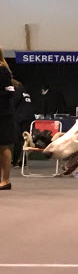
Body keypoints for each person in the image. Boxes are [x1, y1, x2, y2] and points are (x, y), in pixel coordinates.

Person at [0, 47, 15, 190]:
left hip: (3, 115)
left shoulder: (3, 70)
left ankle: (6, 180)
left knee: (4, 147)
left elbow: (9, 92)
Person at [11, 79, 35, 167]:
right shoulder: (25, 92)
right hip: (29, 118)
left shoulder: (18, 92)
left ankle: (15, 161)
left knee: (17, 140)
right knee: (25, 140)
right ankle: (23, 161)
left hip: (20, 118)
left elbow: (13, 103)